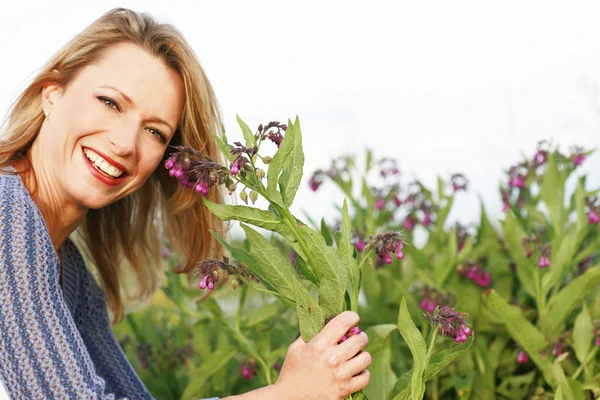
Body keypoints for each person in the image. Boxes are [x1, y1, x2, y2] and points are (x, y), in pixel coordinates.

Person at [0, 8, 371, 400]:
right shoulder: (8, 216)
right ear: (52, 95)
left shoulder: (69, 272)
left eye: (154, 131)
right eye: (110, 102)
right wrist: (288, 394)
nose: (125, 143)